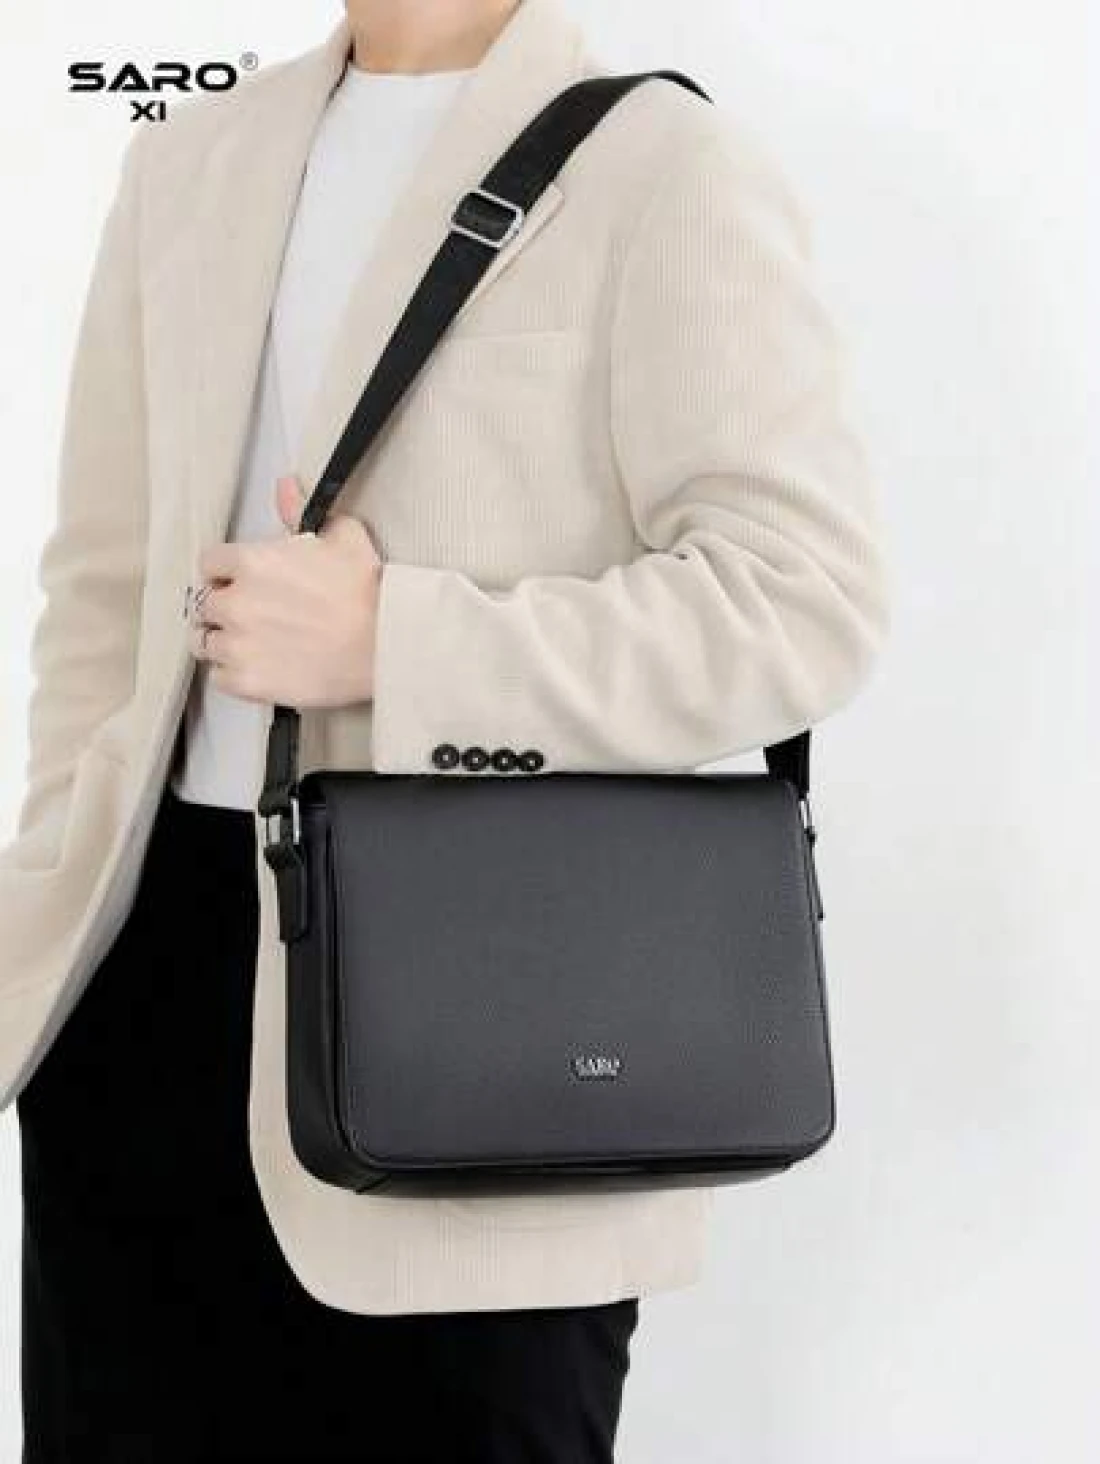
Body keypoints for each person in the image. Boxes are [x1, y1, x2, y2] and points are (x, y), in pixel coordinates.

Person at [1, 0, 891, 1457]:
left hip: (485, 1016)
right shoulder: (190, 159)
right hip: (141, 1003)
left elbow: (803, 601)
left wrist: (397, 644)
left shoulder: (665, 164)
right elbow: (102, 587)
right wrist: (54, 880)